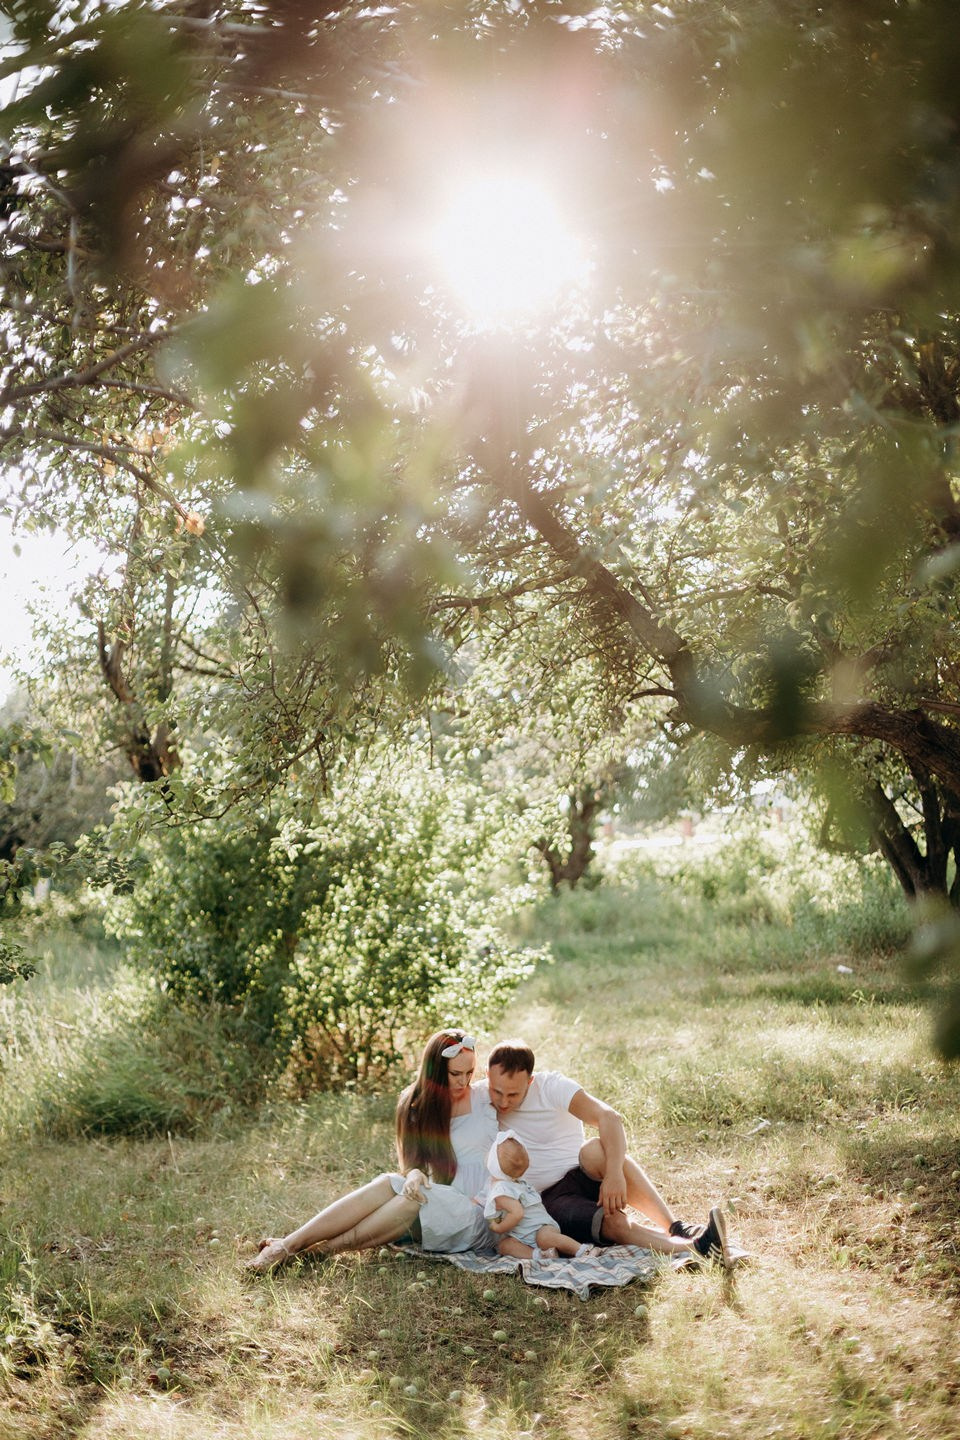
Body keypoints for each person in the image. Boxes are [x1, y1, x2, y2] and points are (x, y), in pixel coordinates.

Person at [244, 1029, 496, 1273]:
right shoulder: (416, 1104)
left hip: (480, 1212)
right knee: (390, 1182)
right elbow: (412, 1165)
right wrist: (414, 1173)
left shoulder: (486, 1097)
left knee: (413, 1200)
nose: (464, 1081)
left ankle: (318, 1252)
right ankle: (290, 1245)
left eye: (470, 1072)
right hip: (445, 1199)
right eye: (455, 1074)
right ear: (437, 1072)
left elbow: (530, 1085)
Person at [485, 1040, 745, 1267]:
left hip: (581, 1174)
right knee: (615, 1222)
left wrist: (613, 1176)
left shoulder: (552, 1086)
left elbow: (609, 1118)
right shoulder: (481, 1098)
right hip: (550, 1200)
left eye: (513, 1094)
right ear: (487, 1076)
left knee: (595, 1150)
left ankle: (675, 1226)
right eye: (497, 1091)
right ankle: (697, 1248)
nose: (504, 1101)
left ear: (530, 1081)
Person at [481, 1130, 592, 1260]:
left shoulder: (501, 1190)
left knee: (543, 1239)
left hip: (541, 1228)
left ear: (492, 1164)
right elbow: (484, 1198)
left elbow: (517, 1213)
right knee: (504, 1246)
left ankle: (582, 1250)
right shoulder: (516, 1183)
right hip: (522, 1236)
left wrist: (500, 1228)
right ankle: (541, 1255)